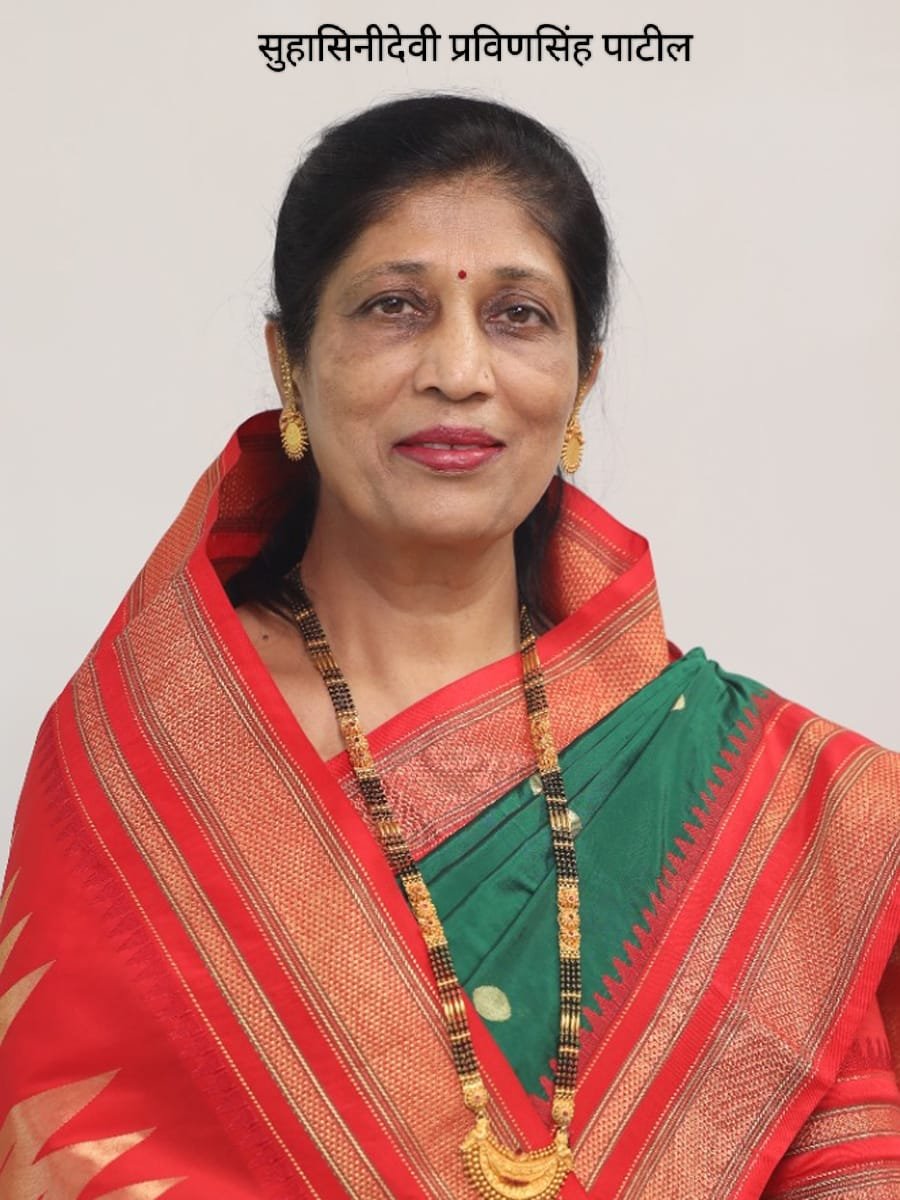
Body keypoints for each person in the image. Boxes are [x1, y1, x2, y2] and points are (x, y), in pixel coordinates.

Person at [0, 94, 897, 1200]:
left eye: (518, 315)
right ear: (289, 360)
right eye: (395, 306)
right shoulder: (148, 753)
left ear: (582, 378)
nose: (460, 370)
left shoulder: (760, 806)